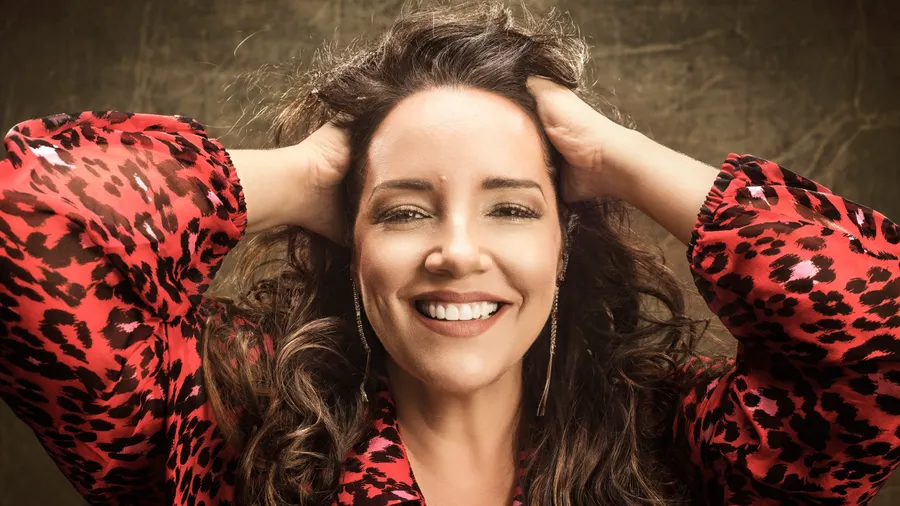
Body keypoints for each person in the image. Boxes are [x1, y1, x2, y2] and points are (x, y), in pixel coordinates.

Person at [1, 3, 898, 506]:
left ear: (563, 246)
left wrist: (618, 157)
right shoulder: (222, 428)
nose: (457, 252)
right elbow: (23, 213)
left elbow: (880, 336)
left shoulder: (680, 448)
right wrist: (310, 173)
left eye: (510, 208)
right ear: (349, 242)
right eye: (404, 214)